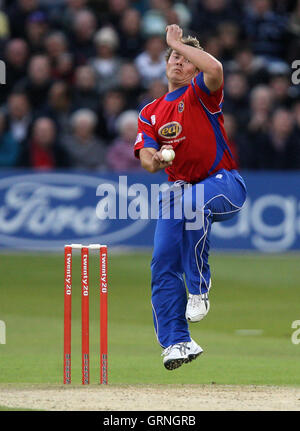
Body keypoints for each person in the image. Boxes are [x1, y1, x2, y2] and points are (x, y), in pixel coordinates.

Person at [134, 25, 247, 370]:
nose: (178, 62)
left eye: (185, 58)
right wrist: (151, 160)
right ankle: (177, 343)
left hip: (225, 183)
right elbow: (147, 158)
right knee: (163, 263)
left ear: (194, 68)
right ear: (165, 66)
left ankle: (198, 288)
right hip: (178, 192)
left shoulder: (201, 91)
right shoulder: (150, 112)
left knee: (192, 202)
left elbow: (216, 70)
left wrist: (175, 42)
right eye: (173, 58)